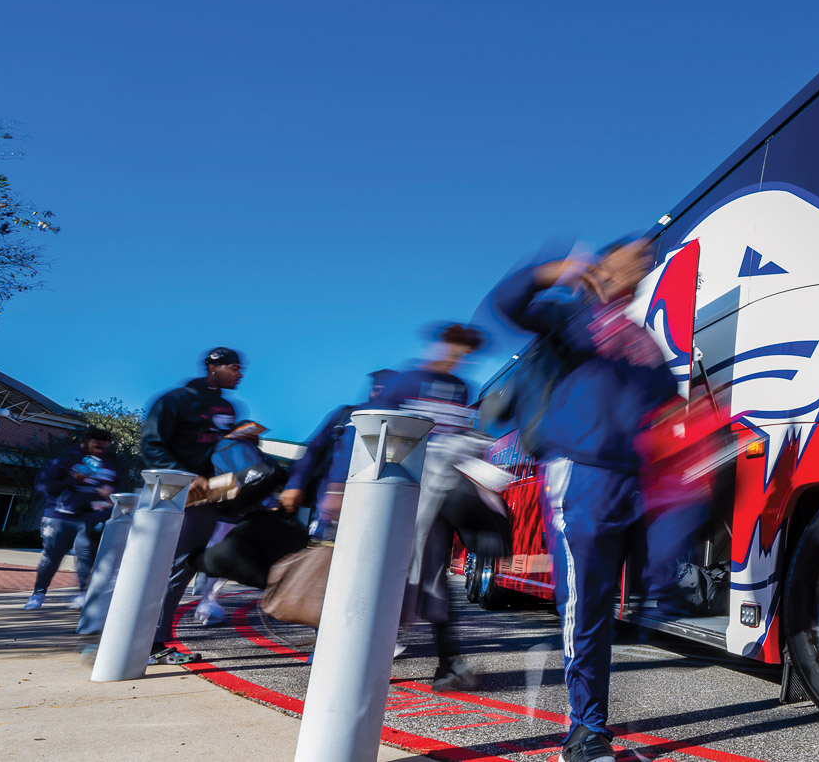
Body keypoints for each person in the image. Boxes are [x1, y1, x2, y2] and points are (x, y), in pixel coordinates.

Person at [492, 234, 678, 762]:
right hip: (582, 474)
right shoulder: (571, 318)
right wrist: (553, 272)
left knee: (617, 599)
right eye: (635, 253)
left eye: (649, 259)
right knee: (586, 603)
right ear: (607, 261)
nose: (643, 263)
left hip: (632, 482)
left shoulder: (645, 343)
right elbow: (506, 304)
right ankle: (584, 731)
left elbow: (666, 409)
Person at [373, 323, 486, 689]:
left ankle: (448, 664)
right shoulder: (405, 382)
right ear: (439, 345)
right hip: (399, 493)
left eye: (466, 351)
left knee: (434, 578)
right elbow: (374, 431)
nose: (459, 356)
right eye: (454, 346)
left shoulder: (460, 388)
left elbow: (459, 435)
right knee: (387, 575)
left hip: (436, 499)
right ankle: (368, 654)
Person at [139, 346, 244, 665]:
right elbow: (152, 445)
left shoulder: (228, 407)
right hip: (171, 495)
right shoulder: (174, 400)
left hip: (207, 499)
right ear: (213, 367)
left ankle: (156, 640)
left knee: (182, 567)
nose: (239, 375)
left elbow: (222, 452)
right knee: (157, 566)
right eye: (234, 368)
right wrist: (185, 475)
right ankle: (143, 639)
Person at [280, 369, 398, 538]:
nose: (379, 393)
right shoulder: (346, 415)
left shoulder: (404, 421)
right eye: (376, 388)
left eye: (385, 389)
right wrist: (295, 485)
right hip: (330, 505)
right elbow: (314, 450)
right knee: (321, 553)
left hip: (379, 507)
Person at [26, 429, 124, 610]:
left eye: (105, 446)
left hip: (91, 518)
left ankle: (82, 595)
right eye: (96, 445)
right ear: (85, 442)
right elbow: (44, 485)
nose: (101, 449)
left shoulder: (112, 460)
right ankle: (38, 594)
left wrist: (112, 494)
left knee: (86, 556)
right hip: (60, 517)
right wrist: (73, 479)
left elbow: (118, 485)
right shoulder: (67, 458)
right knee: (52, 558)